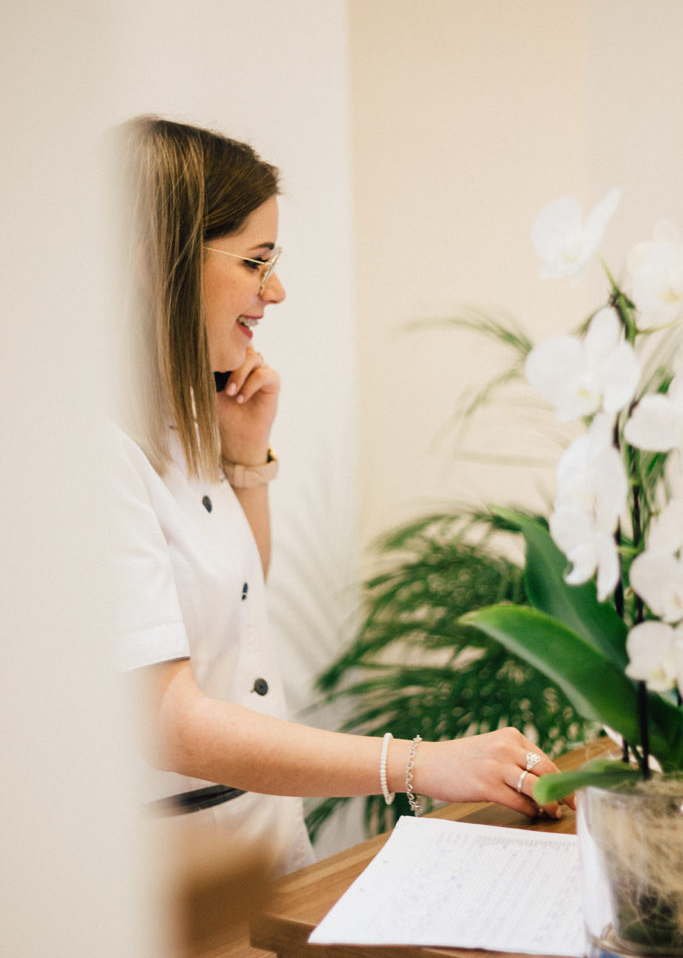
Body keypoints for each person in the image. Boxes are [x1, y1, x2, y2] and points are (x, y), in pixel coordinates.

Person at [112, 115, 569, 878]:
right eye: (256, 261)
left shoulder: (181, 418)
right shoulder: (93, 448)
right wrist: (421, 764)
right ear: (158, 261)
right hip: (169, 880)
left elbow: (236, 601)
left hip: (259, 844)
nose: (276, 291)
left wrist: (247, 460)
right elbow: (166, 720)